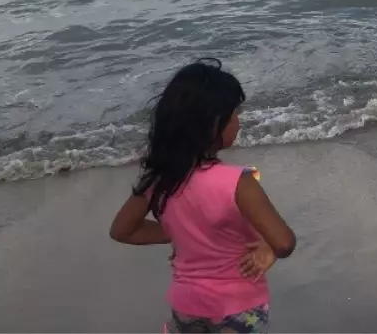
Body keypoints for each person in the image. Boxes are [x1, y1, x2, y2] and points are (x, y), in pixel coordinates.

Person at [110, 58, 297, 334]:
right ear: (213, 125)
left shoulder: (160, 179)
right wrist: (267, 249)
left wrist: (179, 232)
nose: (239, 121)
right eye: (234, 114)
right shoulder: (239, 182)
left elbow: (122, 231)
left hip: (187, 306)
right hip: (238, 306)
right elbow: (283, 242)